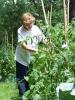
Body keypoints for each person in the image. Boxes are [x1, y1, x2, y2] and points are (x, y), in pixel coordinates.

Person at [15, 12, 45, 100]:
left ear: (32, 21)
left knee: (33, 81)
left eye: (29, 24)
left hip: (33, 60)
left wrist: (51, 46)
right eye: (26, 25)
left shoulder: (36, 28)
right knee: (22, 82)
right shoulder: (20, 30)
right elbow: (24, 46)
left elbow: (43, 39)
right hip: (22, 60)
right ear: (23, 23)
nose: (28, 27)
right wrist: (37, 50)